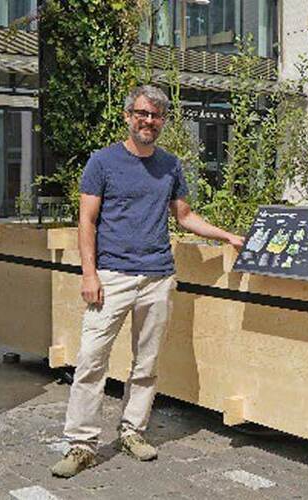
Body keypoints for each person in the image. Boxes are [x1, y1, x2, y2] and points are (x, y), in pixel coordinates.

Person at [51, 85, 244, 478]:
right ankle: (81, 443)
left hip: (157, 276)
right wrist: (89, 274)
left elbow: (184, 216)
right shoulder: (102, 162)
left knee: (147, 363)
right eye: (142, 113)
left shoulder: (170, 165)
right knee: (91, 360)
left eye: (156, 116)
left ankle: (132, 431)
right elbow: (86, 221)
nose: (148, 121)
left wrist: (226, 235)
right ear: (128, 116)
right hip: (111, 276)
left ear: (163, 121)